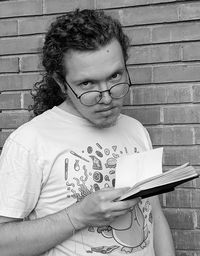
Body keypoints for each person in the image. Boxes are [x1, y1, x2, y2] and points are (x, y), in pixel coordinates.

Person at [0, 9, 175, 256]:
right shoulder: (29, 141)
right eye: (87, 84)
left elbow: (154, 216)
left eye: (115, 76)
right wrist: (78, 216)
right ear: (61, 83)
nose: (107, 97)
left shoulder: (135, 129)